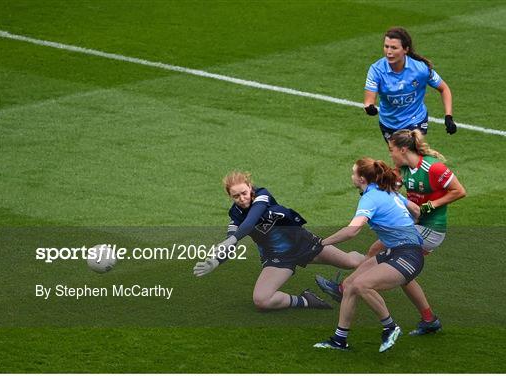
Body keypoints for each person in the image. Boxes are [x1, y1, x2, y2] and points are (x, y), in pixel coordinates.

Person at [316, 130, 466, 336]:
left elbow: (459, 191)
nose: (391, 155)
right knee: (398, 267)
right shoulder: (403, 168)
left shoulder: (433, 167)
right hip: (415, 224)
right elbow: (390, 184)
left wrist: (431, 205)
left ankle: (349, 289)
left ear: (403, 149)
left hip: (431, 229)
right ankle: (429, 319)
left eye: (391, 150)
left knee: (395, 260)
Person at [193, 171, 366, 311]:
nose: (242, 198)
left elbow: (252, 220)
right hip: (277, 259)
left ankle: (377, 260)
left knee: (350, 262)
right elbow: (230, 246)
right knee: (261, 300)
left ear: (250, 188)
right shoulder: (236, 218)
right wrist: (216, 261)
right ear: (230, 197)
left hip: (303, 244)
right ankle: (306, 301)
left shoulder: (262, 196)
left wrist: (233, 238)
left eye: (244, 193)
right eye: (236, 196)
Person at [314, 158, 423, 352]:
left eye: (353, 173)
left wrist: (322, 243)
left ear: (362, 179)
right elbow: (416, 210)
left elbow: (352, 231)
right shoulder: (387, 191)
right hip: (396, 251)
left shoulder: (370, 198)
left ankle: (390, 327)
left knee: (362, 285)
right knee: (348, 286)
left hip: (407, 256)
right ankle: (339, 340)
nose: (352, 176)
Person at [363, 27, 457, 142]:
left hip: (415, 120)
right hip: (389, 124)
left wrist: (448, 117)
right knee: (400, 159)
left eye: (394, 48)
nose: (388, 52)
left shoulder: (420, 69)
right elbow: (368, 101)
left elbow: (444, 89)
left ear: (405, 49)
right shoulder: (376, 70)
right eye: (386, 46)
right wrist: (370, 108)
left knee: (411, 155)